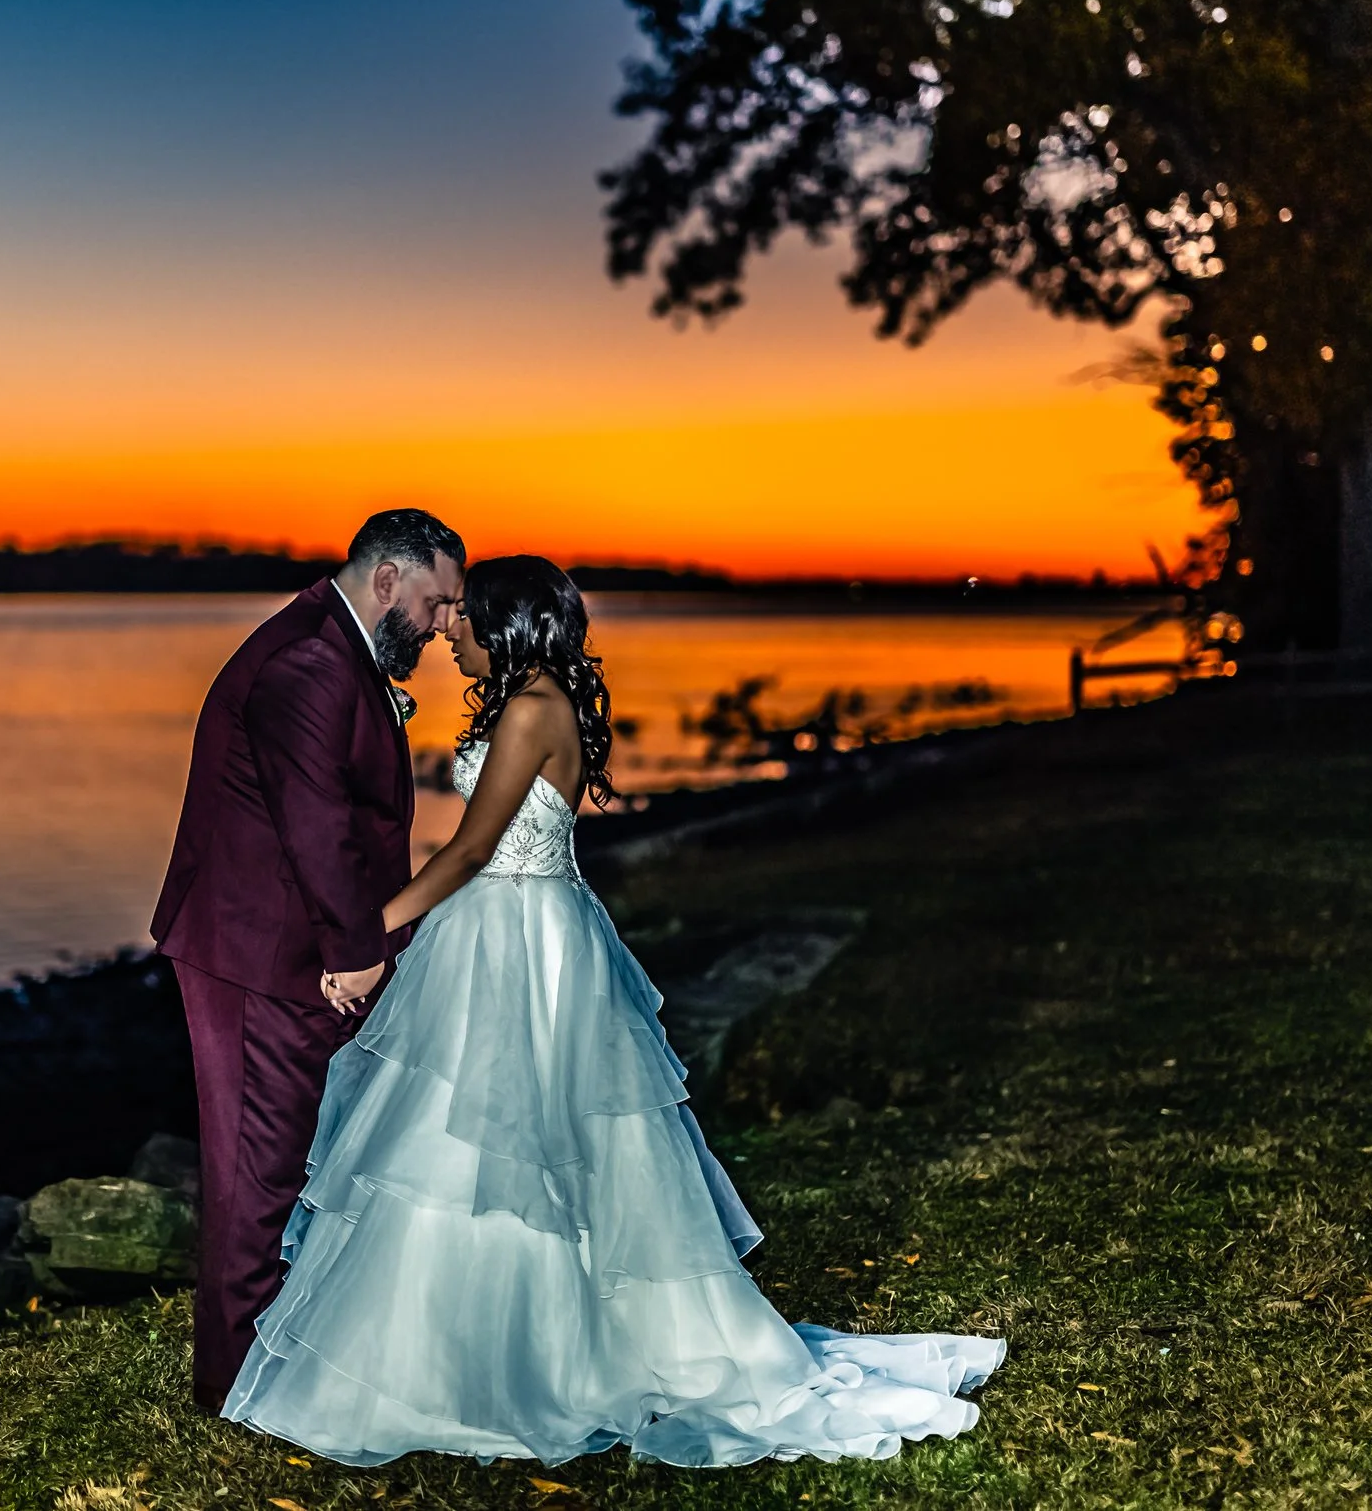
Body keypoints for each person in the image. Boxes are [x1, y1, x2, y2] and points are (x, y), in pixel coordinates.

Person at [221, 556, 1003, 1467]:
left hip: (521, 941)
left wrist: (366, 934)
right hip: (510, 928)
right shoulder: (536, 702)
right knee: (479, 1137)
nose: (448, 630)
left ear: (510, 626)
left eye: (466, 618)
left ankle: (527, 1351)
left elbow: (475, 847)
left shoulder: (530, 710)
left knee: (517, 1138)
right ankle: (475, 1338)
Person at [151, 509, 468, 1412]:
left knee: (299, 1158)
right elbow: (317, 823)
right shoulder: (310, 661)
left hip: (292, 946)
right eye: (436, 603)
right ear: (386, 581)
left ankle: (292, 1353)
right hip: (261, 952)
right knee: (259, 1170)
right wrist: (359, 952)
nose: (444, 626)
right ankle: (237, 1384)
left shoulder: (333, 647)